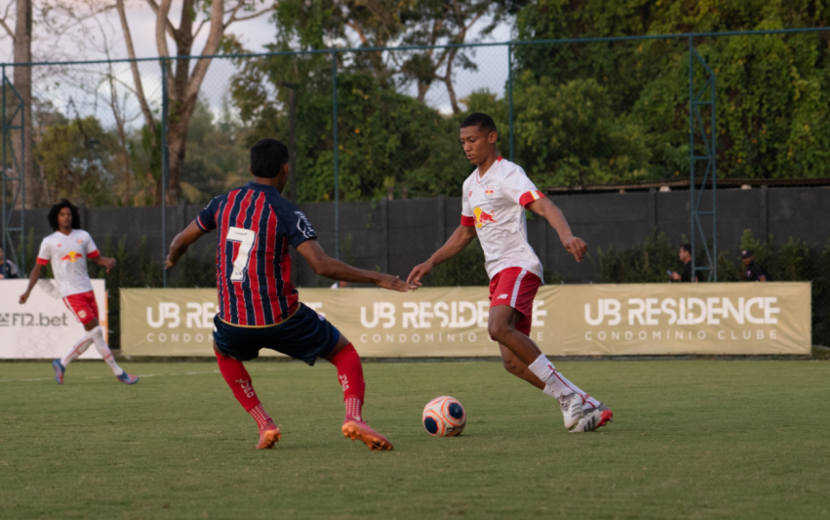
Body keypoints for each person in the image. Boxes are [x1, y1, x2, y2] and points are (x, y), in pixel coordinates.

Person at [165, 138, 415, 451]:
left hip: (233, 320)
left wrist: (173, 259)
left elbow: (180, 240)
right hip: (281, 316)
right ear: (286, 169)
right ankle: (354, 418)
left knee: (224, 352)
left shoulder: (222, 203)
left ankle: (264, 424)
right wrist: (379, 278)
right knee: (343, 352)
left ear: (250, 168)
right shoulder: (284, 209)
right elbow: (321, 265)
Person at [407, 113, 612, 433]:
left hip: (517, 267)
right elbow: (464, 233)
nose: (467, 147)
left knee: (497, 327)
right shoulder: (469, 185)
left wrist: (566, 235)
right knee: (512, 361)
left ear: (491, 138)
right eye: (463, 142)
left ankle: (571, 397)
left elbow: (545, 205)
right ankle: (583, 402)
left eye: (472, 140)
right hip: (498, 275)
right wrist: (431, 262)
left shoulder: (508, 173)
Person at [19, 199, 138, 385]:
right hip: (70, 293)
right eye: (62, 214)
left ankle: (62, 363)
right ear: (56, 218)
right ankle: (119, 372)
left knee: (92, 336)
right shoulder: (49, 242)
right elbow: (37, 268)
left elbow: (97, 259)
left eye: (69, 214)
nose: (66, 217)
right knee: (97, 331)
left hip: (87, 290)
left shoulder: (83, 236)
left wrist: (110, 260)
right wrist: (28, 291)